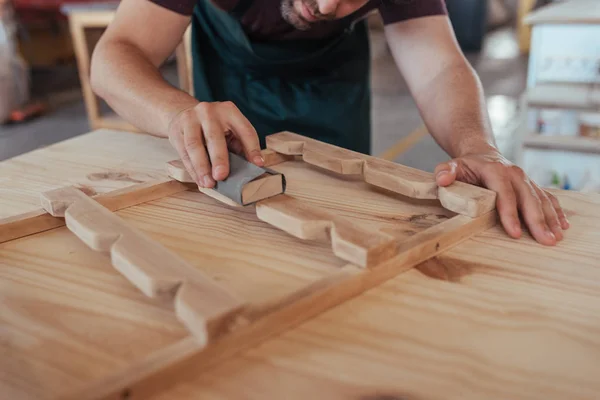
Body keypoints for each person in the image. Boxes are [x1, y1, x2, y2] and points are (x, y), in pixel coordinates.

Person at [90, 0, 569, 246]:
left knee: (338, 216)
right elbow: (115, 54)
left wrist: (479, 146)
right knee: (230, 226)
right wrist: (176, 111)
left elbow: (441, 67)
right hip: (230, 72)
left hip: (332, 84)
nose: (323, 7)